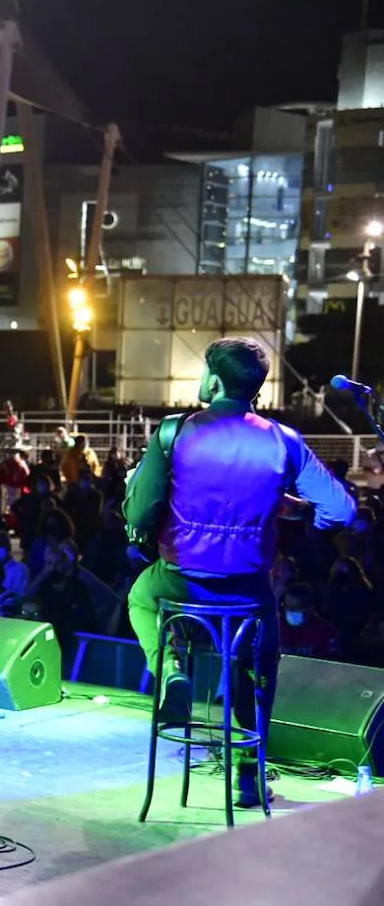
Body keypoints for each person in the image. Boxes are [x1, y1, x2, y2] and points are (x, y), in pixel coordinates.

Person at [124, 337, 354, 808]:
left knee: (139, 597)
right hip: (249, 593)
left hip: (181, 583)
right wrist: (294, 512)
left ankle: (169, 671)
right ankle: (249, 778)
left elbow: (142, 510)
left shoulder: (174, 432)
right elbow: (341, 512)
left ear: (214, 379)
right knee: (257, 663)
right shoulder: (282, 441)